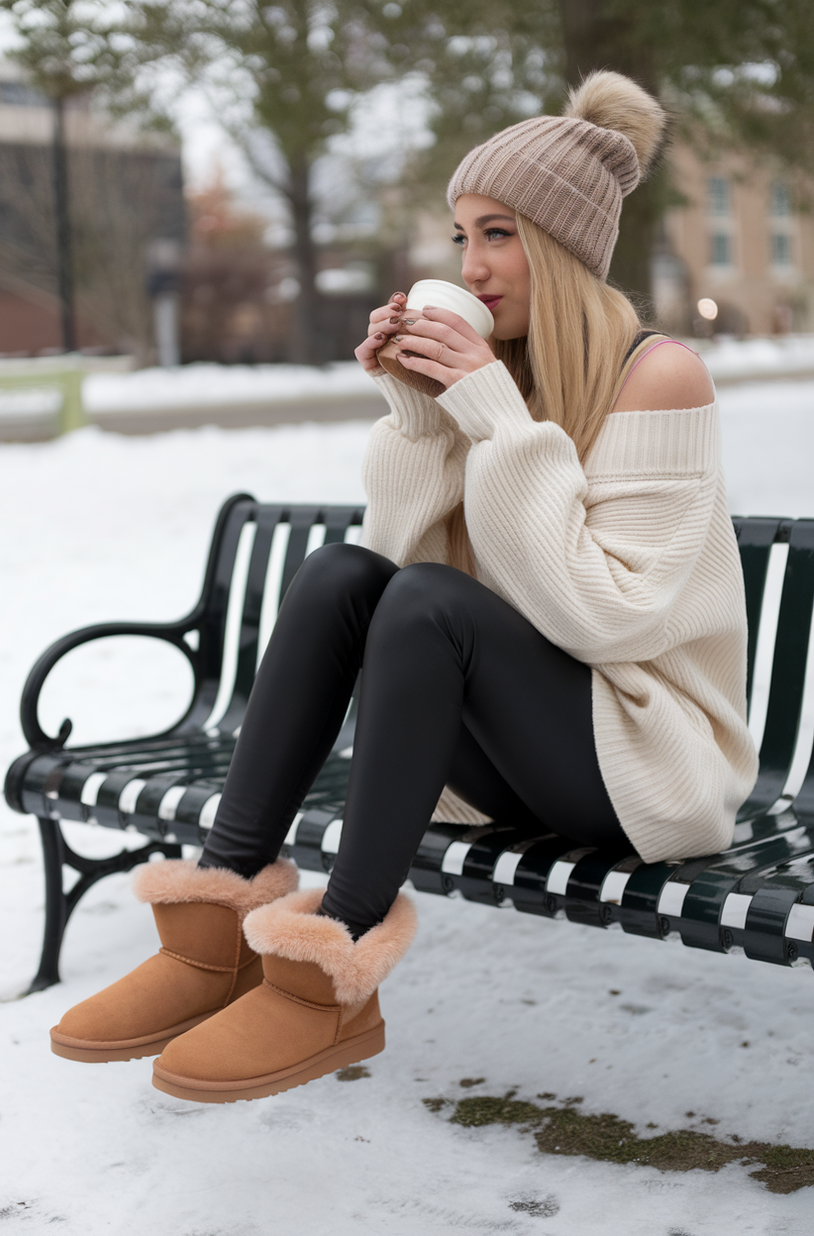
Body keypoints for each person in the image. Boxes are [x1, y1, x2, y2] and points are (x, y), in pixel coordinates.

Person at [51, 70, 758, 1103]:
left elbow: (605, 619)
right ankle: (212, 932)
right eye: (461, 236)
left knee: (428, 600)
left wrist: (494, 421)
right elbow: (387, 565)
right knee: (347, 571)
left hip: (642, 768)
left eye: (499, 235)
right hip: (516, 755)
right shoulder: (497, 372)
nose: (470, 265)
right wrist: (421, 414)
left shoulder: (657, 376)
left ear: (561, 244)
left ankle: (330, 967)